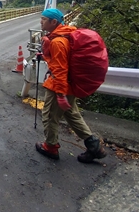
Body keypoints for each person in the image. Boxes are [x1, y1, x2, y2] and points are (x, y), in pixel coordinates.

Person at [35, 8, 106, 163]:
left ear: (54, 22)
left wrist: (60, 95)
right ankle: (94, 146)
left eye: (44, 19)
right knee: (72, 115)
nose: (41, 21)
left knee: (49, 116)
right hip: (69, 85)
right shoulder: (64, 35)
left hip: (60, 87)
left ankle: (50, 147)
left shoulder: (58, 42)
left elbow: (60, 69)